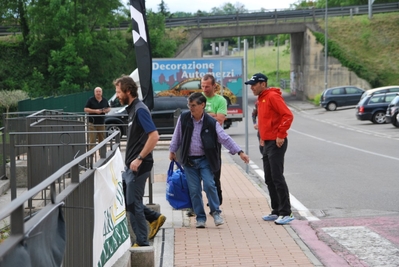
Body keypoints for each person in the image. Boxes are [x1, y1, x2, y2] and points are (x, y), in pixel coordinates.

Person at [169, 92, 250, 228]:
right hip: (189, 162)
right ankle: (200, 217)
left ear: (202, 105)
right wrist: (172, 150)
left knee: (209, 185)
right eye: (189, 105)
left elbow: (224, 138)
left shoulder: (211, 122)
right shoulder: (184, 118)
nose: (191, 108)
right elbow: (177, 135)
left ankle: (216, 212)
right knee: (194, 190)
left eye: (193, 105)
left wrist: (239, 152)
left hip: (205, 161)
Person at [113, 75, 162, 247]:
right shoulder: (132, 109)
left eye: (119, 92)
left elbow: (154, 136)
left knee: (133, 205)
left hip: (138, 165)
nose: (117, 95)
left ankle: (142, 243)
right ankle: (155, 218)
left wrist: (139, 159)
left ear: (128, 91)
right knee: (128, 200)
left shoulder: (140, 109)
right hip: (131, 166)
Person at [245, 73, 295, 225]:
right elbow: (265, 120)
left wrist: (281, 135)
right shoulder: (261, 99)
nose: (252, 88)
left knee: (277, 177)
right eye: (251, 85)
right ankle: (276, 210)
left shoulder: (272, 96)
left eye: (254, 84)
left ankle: (286, 212)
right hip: (266, 142)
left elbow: (287, 115)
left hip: (276, 142)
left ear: (263, 84)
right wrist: (262, 137)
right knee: (269, 178)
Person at [201, 74, 227, 206]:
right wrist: (212, 115)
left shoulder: (220, 100)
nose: (204, 89)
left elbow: (220, 120)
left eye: (207, 86)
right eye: (202, 86)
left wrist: (204, 116)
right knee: (200, 172)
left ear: (214, 86)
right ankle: (208, 199)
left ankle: (217, 199)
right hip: (199, 141)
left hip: (214, 140)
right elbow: (193, 117)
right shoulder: (199, 98)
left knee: (214, 170)